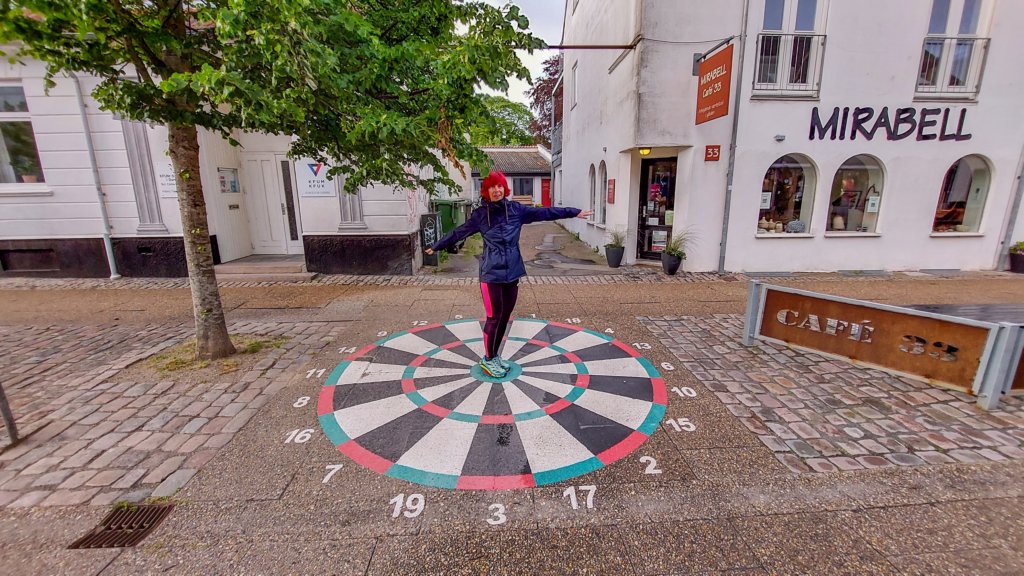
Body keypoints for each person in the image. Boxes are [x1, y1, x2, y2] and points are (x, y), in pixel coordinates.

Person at [426, 171, 593, 378]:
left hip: (512, 272)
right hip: (491, 274)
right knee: (493, 317)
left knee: (505, 316)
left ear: (504, 189)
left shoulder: (516, 210)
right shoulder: (480, 215)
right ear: (486, 191)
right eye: (492, 187)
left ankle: (495, 355)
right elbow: (459, 232)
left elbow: (546, 212)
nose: (496, 190)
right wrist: (437, 245)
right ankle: (488, 359)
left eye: (500, 186)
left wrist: (574, 212)